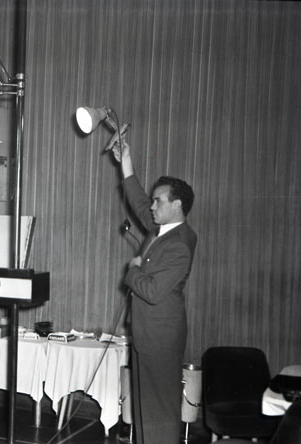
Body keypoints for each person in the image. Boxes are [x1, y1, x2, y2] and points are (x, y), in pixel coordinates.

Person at [112, 141, 197, 444]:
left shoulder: (179, 244)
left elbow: (153, 291)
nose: (152, 206)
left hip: (160, 339)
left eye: (158, 201)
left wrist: (133, 269)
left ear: (177, 205)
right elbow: (138, 202)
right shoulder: (163, 228)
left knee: (159, 411)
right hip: (147, 335)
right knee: (145, 409)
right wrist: (126, 161)